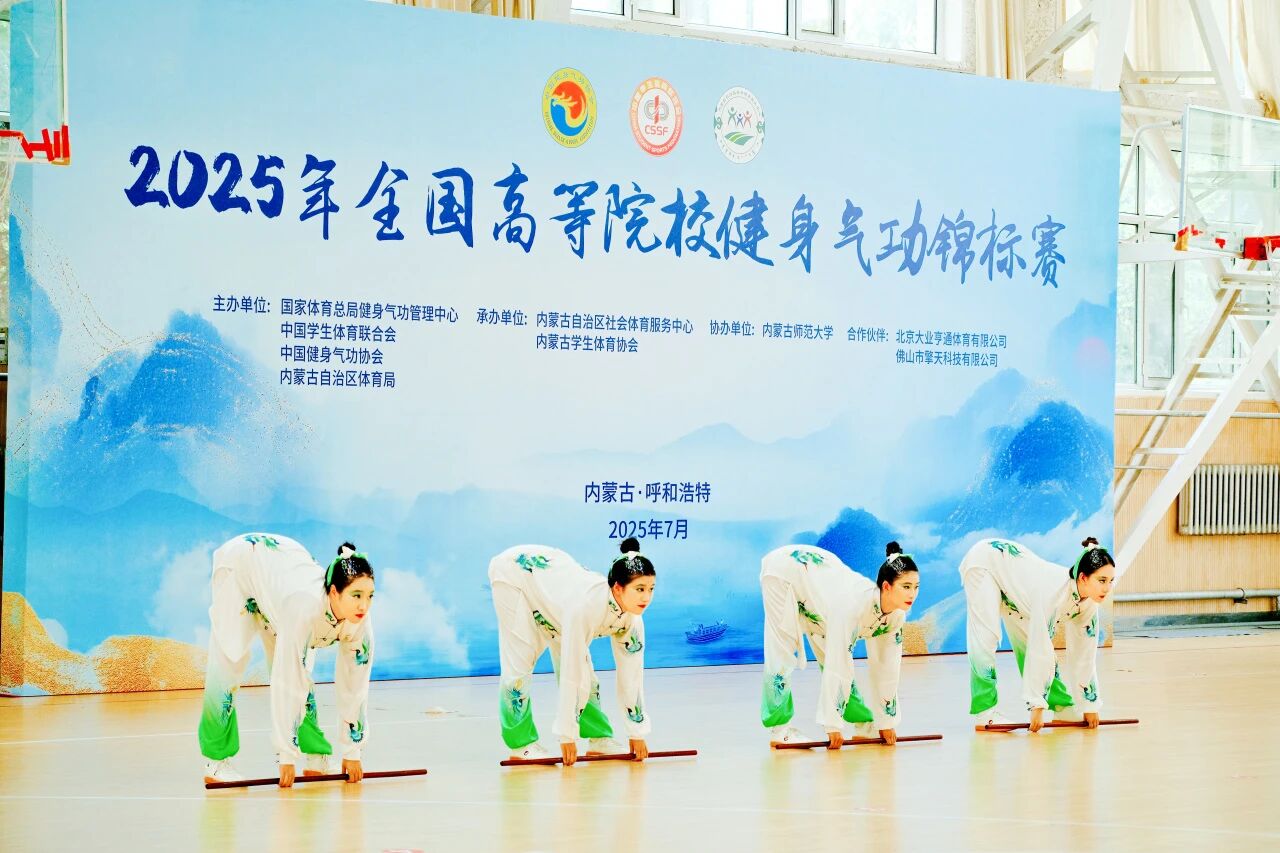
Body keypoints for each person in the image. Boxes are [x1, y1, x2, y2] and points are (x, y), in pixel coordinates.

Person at [198, 534, 375, 786]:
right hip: (242, 566)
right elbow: (288, 681)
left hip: (280, 577)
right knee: (229, 660)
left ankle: (316, 755)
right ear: (335, 592)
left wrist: (352, 751)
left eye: (370, 596)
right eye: (356, 595)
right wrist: (286, 756)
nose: (364, 606)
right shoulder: (304, 609)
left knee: (303, 671)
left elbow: (355, 686)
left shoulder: (361, 620)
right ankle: (215, 761)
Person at [489, 536, 655, 765]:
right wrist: (567, 736)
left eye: (651, 588)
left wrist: (636, 732)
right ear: (618, 588)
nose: (646, 597)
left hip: (556, 595)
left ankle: (598, 738)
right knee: (520, 661)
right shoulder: (585, 608)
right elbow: (572, 671)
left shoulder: (633, 618)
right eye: (639, 589)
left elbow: (632, 676)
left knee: (587, 674)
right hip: (515, 574)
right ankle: (521, 745)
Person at [760, 542, 919, 749]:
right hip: (786, 571)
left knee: (835, 656)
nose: (912, 594)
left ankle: (863, 723)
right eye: (906, 587)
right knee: (782, 648)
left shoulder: (896, 616)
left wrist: (886, 721)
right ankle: (780, 731)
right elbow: (839, 665)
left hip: (823, 587)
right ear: (887, 586)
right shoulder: (853, 608)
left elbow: (887, 668)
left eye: (916, 587)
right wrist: (832, 725)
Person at [960, 536, 1116, 731]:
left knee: (1027, 644)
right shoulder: (1053, 594)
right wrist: (1037, 706)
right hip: (986, 563)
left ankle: (1061, 706)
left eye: (1111, 581)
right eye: (1102, 580)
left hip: (1018, 587)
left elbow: (1084, 654)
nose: (1107, 588)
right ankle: (985, 714)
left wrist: (1089, 704)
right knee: (986, 637)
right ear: (1083, 577)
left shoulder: (1090, 602)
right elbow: (1040, 649)